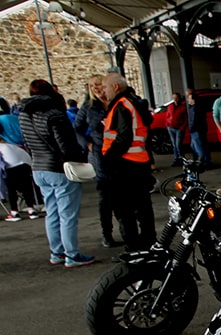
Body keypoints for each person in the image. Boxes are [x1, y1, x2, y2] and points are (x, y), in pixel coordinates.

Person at [17, 79, 94, 268]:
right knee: (67, 214)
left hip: (38, 167)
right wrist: (79, 158)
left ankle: (57, 252)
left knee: (52, 212)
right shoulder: (54, 114)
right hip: (58, 168)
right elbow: (64, 143)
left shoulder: (23, 114)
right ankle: (72, 255)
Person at [100, 72, 156, 251]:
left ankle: (133, 248)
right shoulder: (133, 103)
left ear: (115, 87)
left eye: (105, 87)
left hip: (124, 166)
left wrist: (108, 158)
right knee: (143, 207)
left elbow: (124, 137)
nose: (104, 91)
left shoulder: (122, 105)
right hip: (139, 163)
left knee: (124, 210)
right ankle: (149, 242)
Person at [74, 74, 121, 248]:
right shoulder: (88, 107)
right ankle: (106, 233)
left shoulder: (116, 103)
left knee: (122, 194)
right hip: (99, 154)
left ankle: (127, 231)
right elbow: (77, 129)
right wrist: (87, 144)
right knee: (106, 195)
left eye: (99, 85)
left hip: (119, 152)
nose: (96, 88)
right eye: (92, 86)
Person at [186, 89, 212, 167]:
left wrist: (191, 128)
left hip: (196, 130)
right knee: (198, 145)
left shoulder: (195, 109)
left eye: (189, 98)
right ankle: (206, 161)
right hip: (199, 129)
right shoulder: (197, 107)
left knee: (199, 146)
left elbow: (194, 120)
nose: (188, 100)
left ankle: (203, 161)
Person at [165, 91, 189, 165]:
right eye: (174, 98)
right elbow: (167, 116)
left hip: (179, 128)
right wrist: (167, 124)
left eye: (176, 98)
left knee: (178, 144)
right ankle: (176, 159)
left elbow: (186, 119)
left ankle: (182, 158)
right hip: (171, 127)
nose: (175, 99)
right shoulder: (170, 106)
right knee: (174, 144)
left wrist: (182, 127)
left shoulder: (183, 108)